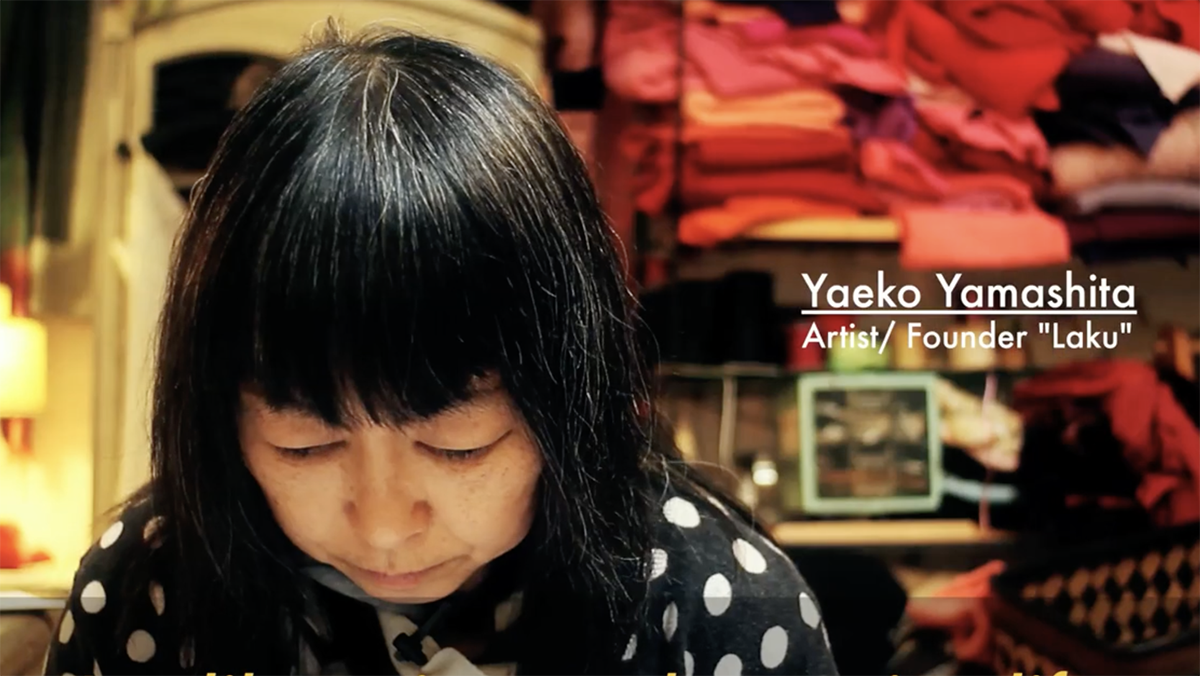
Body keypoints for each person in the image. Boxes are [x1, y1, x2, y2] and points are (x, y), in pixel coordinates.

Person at [44, 24, 838, 676]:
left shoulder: (717, 608)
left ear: (570, 404)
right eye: (305, 445)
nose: (386, 525)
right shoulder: (149, 593)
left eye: (459, 447)